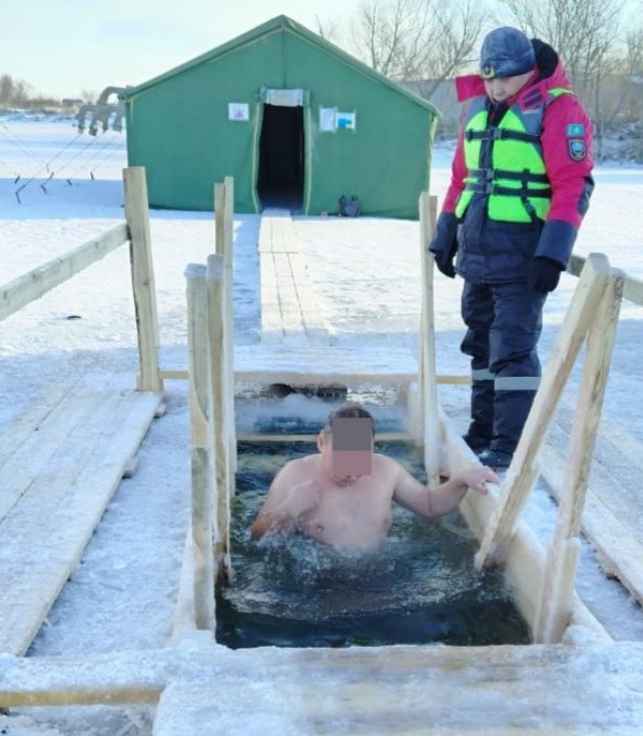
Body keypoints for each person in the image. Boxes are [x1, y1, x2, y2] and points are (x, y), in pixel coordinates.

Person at [428, 28, 595, 470]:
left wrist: (552, 253)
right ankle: (483, 430)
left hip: (523, 257)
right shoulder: (478, 111)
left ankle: (509, 444)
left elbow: (573, 184)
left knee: (513, 350)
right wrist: (447, 232)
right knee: (480, 345)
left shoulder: (560, 110)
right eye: (489, 79)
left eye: (506, 78)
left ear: (529, 71)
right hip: (478, 254)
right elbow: (462, 179)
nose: (497, 88)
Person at [250, 402, 499, 551]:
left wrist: (461, 480)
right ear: (321, 443)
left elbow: (430, 505)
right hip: (321, 584)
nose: (350, 472)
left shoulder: (386, 470)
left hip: (379, 580)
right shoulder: (295, 474)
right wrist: (290, 508)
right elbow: (257, 537)